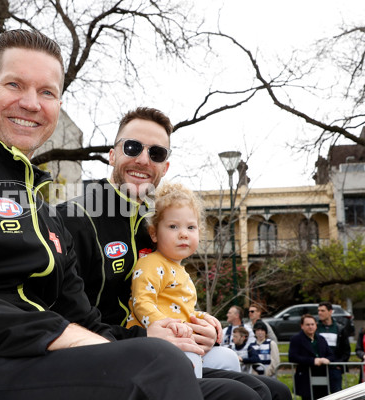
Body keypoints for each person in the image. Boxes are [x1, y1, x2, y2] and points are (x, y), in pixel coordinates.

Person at [0, 29, 255, 400]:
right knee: (159, 366)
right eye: (15, 84)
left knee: (241, 391)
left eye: (47, 92)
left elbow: (83, 319)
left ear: (57, 107)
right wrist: (58, 334)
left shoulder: (42, 212)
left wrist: (154, 334)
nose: (31, 103)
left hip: (28, 367)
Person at [57, 107, 292, 400]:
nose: (143, 159)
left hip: (158, 352)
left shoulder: (158, 221)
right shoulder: (73, 218)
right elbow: (65, 319)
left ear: (165, 167)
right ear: (112, 155)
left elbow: (171, 293)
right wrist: (146, 337)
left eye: (156, 153)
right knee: (243, 395)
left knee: (275, 391)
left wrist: (198, 328)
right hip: (102, 363)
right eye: (132, 147)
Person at [125, 181, 231, 377]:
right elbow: (142, 302)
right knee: (189, 357)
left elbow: (183, 311)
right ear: (154, 234)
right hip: (151, 345)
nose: (183, 234)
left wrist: (202, 318)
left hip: (182, 340)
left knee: (228, 358)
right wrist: (166, 324)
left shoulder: (182, 272)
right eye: (173, 226)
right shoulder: (151, 263)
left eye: (191, 227)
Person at [289, 314, 334, 400]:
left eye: (312, 324)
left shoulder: (321, 339)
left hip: (322, 376)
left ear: (316, 325)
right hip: (305, 377)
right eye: (308, 325)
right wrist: (312, 361)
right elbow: (292, 356)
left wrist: (327, 359)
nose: (310, 327)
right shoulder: (296, 339)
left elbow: (331, 354)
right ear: (302, 326)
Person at [317, 301, 350, 393]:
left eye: (322, 311)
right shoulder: (315, 327)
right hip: (319, 368)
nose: (320, 313)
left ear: (330, 311)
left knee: (336, 393)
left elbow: (346, 349)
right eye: (318, 311)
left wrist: (339, 364)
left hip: (335, 368)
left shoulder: (339, 328)